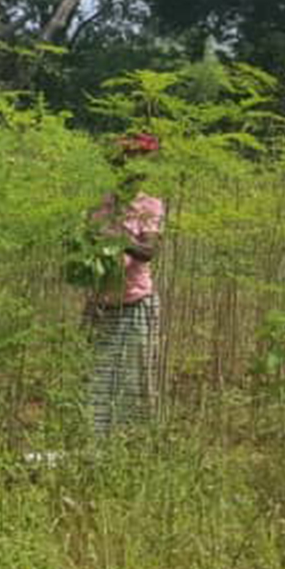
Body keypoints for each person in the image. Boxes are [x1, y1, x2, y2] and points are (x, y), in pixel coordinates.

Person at [85, 132, 165, 438]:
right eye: (123, 163)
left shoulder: (150, 206)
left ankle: (133, 441)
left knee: (134, 378)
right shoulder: (100, 204)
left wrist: (121, 239)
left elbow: (148, 251)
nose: (130, 171)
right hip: (100, 305)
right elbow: (83, 244)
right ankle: (97, 440)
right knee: (98, 377)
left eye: (137, 165)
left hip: (134, 304)